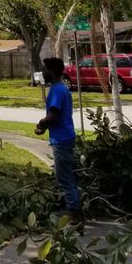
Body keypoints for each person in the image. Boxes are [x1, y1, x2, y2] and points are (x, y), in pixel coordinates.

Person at [35, 56, 83, 228]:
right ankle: (71, 209)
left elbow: (53, 115)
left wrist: (41, 124)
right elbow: (57, 116)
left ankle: (74, 216)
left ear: (53, 71)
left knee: (65, 179)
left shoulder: (57, 91)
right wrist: (46, 127)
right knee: (65, 176)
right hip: (64, 136)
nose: (43, 72)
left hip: (62, 139)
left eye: (45, 69)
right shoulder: (60, 89)